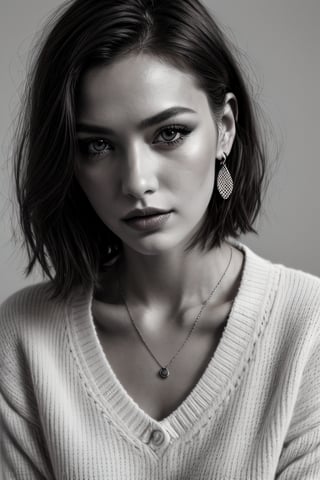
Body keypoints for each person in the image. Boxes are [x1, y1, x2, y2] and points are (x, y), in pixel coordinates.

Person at [1, 0, 319, 478]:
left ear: (225, 130)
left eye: (169, 133)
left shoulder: (307, 330)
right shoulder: (23, 339)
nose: (136, 181)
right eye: (97, 145)